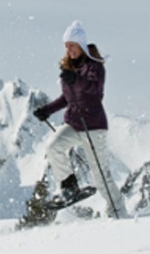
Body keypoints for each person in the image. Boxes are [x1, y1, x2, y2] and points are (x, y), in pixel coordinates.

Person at [33, 21, 127, 218]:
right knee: (53, 146)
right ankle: (69, 186)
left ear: (82, 46)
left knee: (100, 175)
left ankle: (117, 211)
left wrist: (76, 79)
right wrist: (46, 110)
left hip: (93, 126)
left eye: (72, 45)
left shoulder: (95, 66)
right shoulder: (69, 70)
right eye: (66, 46)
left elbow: (95, 91)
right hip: (75, 125)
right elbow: (66, 98)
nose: (69, 50)